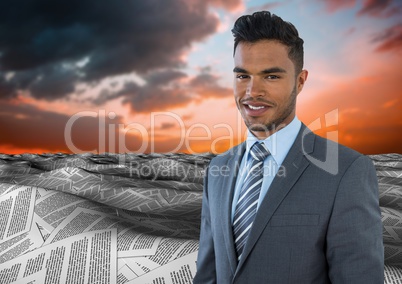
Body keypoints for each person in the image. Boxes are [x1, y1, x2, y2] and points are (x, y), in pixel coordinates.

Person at [193, 11, 384, 283]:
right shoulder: (217, 169)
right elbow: (208, 275)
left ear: (300, 81)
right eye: (242, 76)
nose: (251, 92)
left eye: (271, 77)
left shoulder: (346, 171)